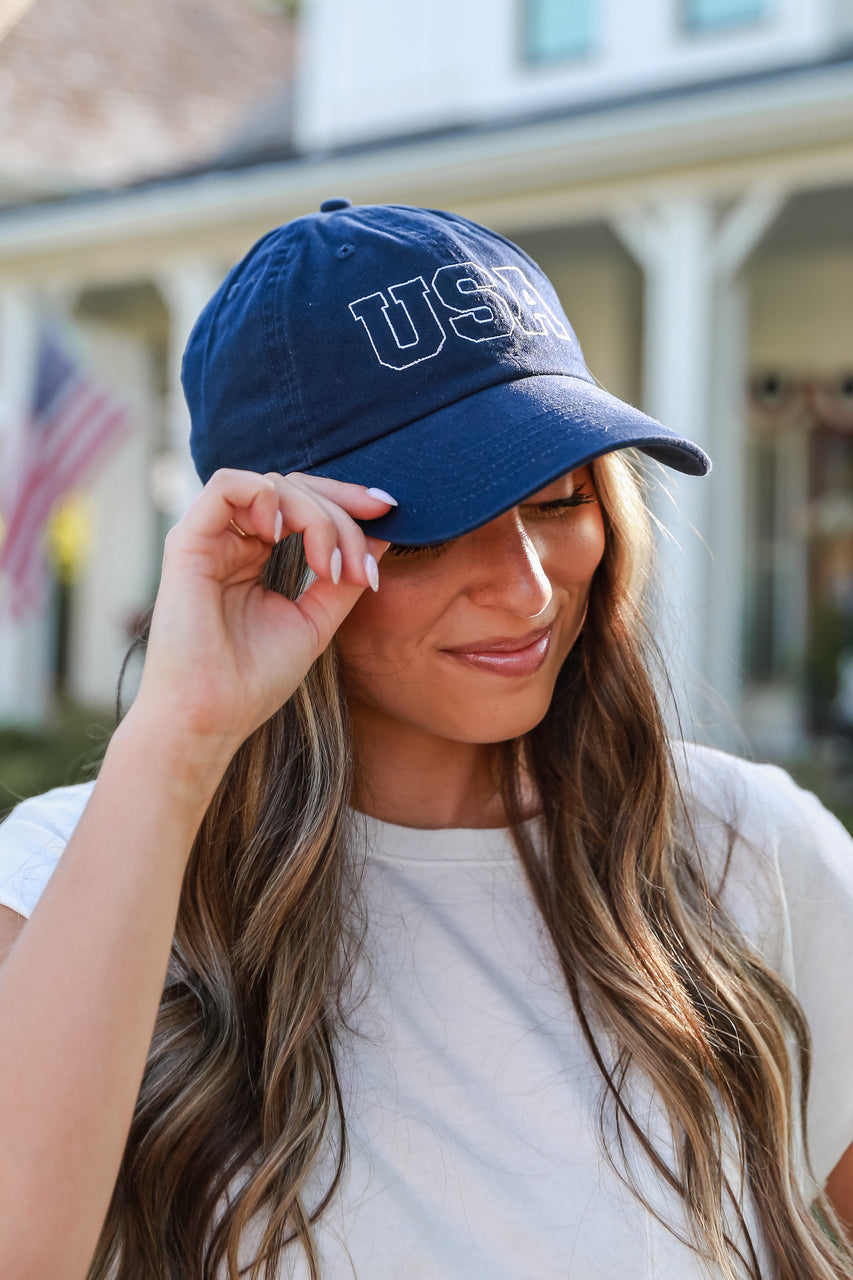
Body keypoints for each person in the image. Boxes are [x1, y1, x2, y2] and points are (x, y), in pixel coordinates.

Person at [0, 199, 851, 1280]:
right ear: (270, 544)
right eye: (428, 531)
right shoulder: (71, 872)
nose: (527, 589)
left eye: (557, 499)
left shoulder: (749, 851)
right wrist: (180, 734)